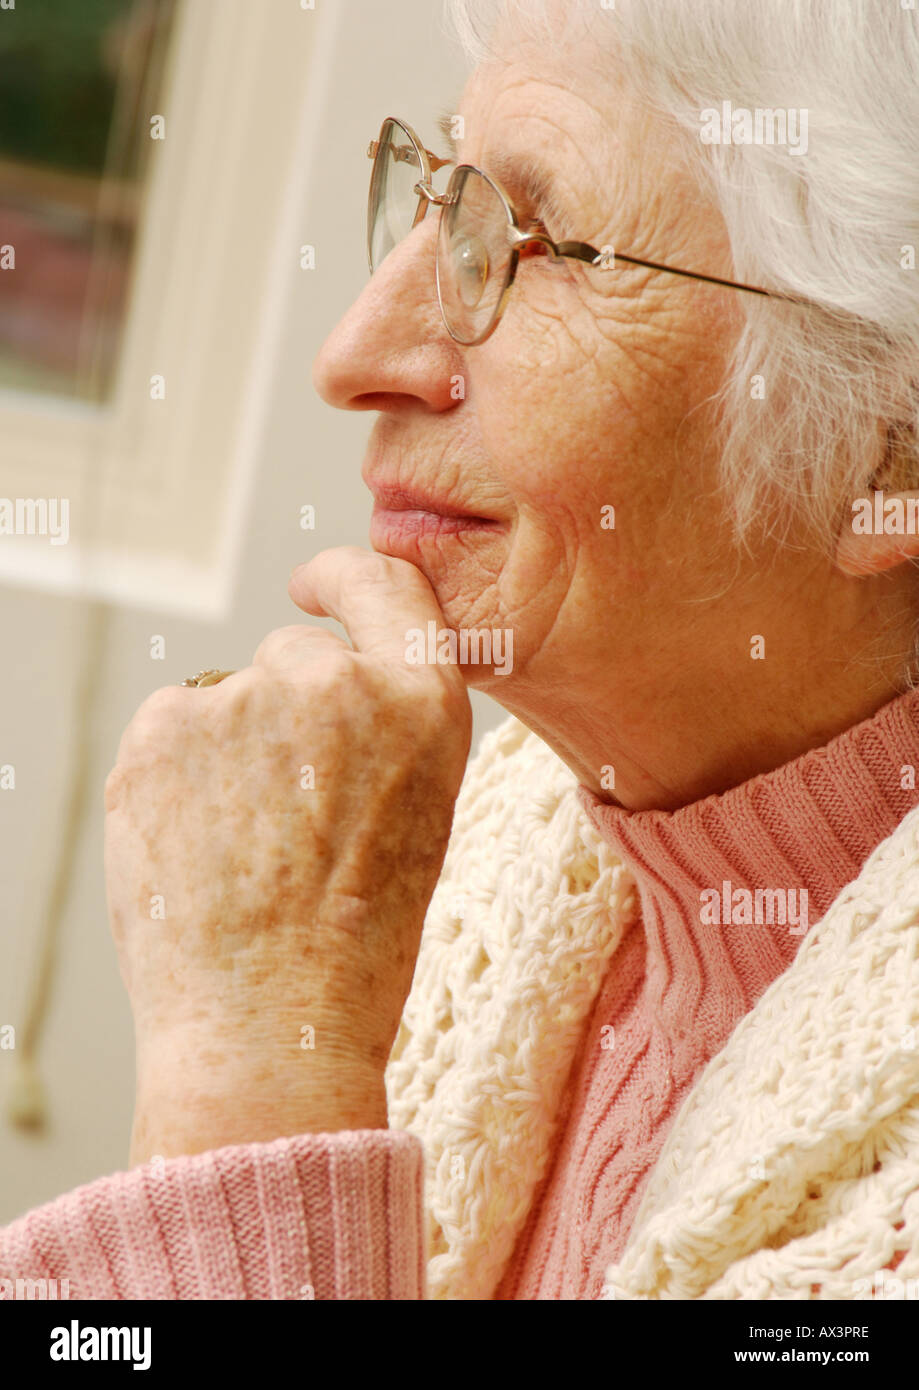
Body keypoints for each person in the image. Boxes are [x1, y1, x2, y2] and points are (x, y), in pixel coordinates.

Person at [3, 0, 919, 1300]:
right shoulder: (476, 861)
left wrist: (261, 1069)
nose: (354, 354)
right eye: (438, 195)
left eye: (531, 245)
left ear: (891, 445)